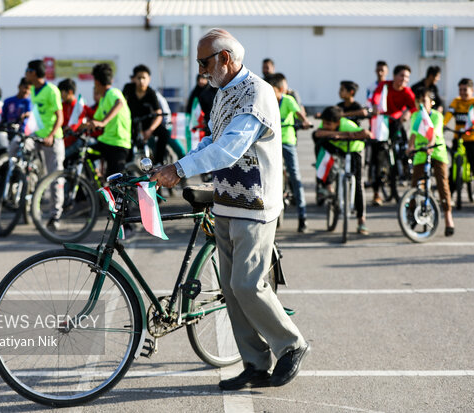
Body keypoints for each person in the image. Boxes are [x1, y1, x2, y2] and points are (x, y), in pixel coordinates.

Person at [152, 28, 309, 390]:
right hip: (225, 199)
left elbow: (230, 149)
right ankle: (254, 362)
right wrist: (181, 161)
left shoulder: (258, 93)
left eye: (204, 63)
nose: (202, 70)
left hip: (255, 203)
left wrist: (179, 170)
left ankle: (292, 344)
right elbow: (213, 139)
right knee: (230, 288)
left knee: (247, 284)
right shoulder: (223, 92)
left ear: (225, 58)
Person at [314, 106, 371, 235]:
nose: (326, 126)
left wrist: (348, 134)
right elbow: (318, 133)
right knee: (320, 143)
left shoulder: (348, 125)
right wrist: (338, 135)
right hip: (340, 149)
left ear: (338, 122)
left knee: (358, 184)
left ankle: (361, 220)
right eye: (325, 123)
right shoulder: (327, 124)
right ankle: (327, 185)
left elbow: (367, 133)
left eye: (329, 124)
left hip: (355, 150)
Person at [23, 59, 65, 229]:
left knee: (55, 177)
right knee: (18, 147)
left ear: (33, 72)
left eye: (27, 70)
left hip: (52, 139)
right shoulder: (33, 89)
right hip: (36, 137)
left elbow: (60, 117)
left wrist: (50, 135)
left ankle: (56, 215)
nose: (25, 74)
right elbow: (38, 113)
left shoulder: (51, 90)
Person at [267, 73, 311, 232]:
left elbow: (298, 113)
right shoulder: (267, 102)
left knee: (295, 176)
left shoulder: (288, 100)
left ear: (281, 90)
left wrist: (305, 121)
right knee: (270, 176)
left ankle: (302, 215)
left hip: (287, 142)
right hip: (271, 143)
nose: (271, 95)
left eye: (273, 91)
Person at [407, 87, 454, 235]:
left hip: (437, 152)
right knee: (415, 184)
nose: (421, 104)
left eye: (424, 101)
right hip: (421, 153)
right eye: (418, 101)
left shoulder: (437, 116)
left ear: (431, 102)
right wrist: (410, 147)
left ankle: (448, 217)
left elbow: (433, 132)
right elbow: (414, 133)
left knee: (442, 182)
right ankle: (412, 214)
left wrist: (430, 145)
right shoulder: (415, 116)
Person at [370, 64, 417, 206]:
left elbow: (414, 106)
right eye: (402, 75)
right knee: (377, 156)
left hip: (397, 123)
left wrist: (408, 113)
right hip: (382, 123)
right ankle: (377, 193)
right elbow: (376, 98)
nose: (404, 79)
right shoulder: (385, 86)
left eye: (407, 77)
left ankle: (404, 171)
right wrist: (376, 107)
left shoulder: (407, 91)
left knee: (405, 149)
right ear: (395, 76)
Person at [443, 78, 474, 208]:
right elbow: (448, 115)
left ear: (472, 90)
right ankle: (449, 196)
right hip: (459, 138)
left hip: (473, 140)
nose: (462, 93)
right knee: (453, 169)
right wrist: (443, 125)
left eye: (465, 90)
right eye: (460, 90)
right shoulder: (456, 102)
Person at [84, 62, 131, 176]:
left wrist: (103, 122)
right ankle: (93, 184)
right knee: (83, 155)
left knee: (116, 185)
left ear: (97, 82)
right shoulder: (103, 99)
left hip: (118, 144)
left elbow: (119, 103)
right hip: (106, 142)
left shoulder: (113, 92)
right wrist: (77, 127)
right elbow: (94, 120)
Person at [122, 65, 171, 166]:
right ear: (134, 79)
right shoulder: (128, 89)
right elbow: (121, 105)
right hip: (132, 123)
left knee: (164, 133)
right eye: (138, 78)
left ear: (149, 79)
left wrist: (150, 130)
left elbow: (158, 115)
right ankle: (127, 165)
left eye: (144, 78)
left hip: (148, 123)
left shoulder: (151, 93)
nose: (141, 81)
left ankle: (159, 163)